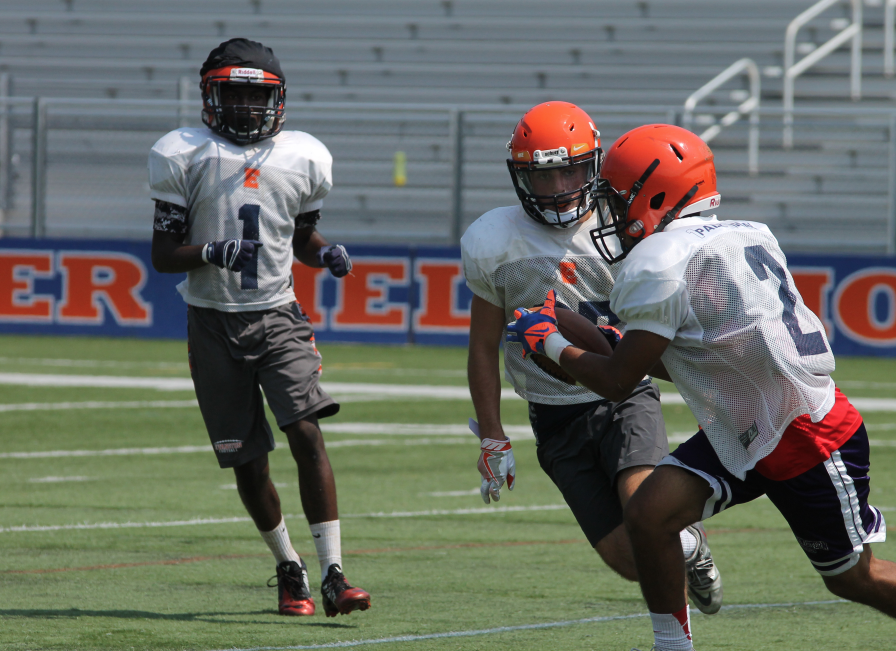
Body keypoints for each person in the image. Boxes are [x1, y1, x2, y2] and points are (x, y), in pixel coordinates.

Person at [507, 123, 894, 651]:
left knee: (854, 578)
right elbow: (698, 359)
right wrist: (603, 338)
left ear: (656, 192)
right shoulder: (749, 233)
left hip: (805, 435)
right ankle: (672, 646)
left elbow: (620, 382)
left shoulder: (657, 259)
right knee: (649, 515)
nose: (613, 215)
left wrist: (550, 342)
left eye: (618, 200)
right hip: (748, 423)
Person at [461, 102, 722, 613]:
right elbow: (482, 344)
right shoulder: (496, 240)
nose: (559, 187)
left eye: (571, 171)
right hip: (555, 415)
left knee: (642, 506)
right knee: (628, 559)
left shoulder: (626, 222)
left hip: (624, 395)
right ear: (520, 177)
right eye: (544, 175)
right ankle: (690, 546)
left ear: (595, 166)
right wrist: (492, 433)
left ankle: (675, 609)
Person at [148, 38, 370, 619]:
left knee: (305, 432)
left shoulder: (302, 157)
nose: (247, 107)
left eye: (257, 95)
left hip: (277, 315)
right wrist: (209, 251)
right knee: (247, 459)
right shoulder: (184, 155)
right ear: (210, 97)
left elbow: (300, 238)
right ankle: (289, 566)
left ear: (277, 100)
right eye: (236, 94)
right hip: (213, 323)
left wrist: (325, 255)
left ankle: (334, 574)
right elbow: (164, 254)